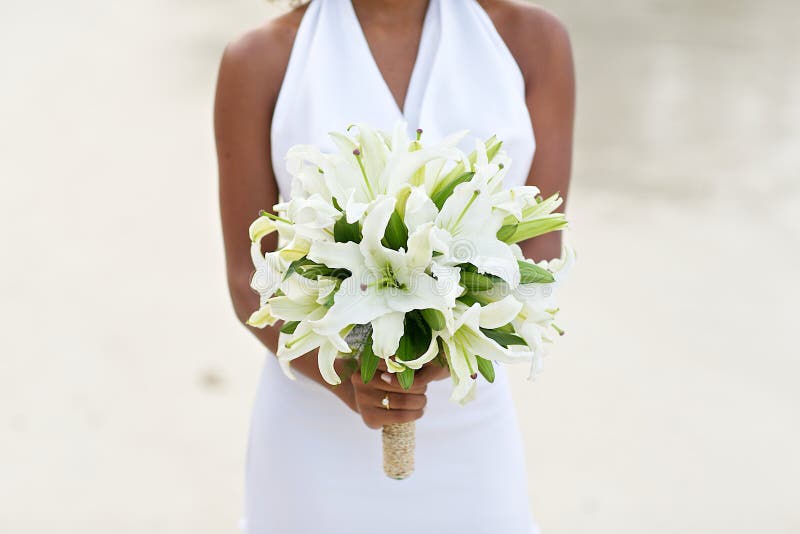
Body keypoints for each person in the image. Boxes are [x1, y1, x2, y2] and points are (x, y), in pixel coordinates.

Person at [214, 0, 574, 532]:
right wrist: (348, 382)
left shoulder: (533, 42)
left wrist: (446, 353)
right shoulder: (260, 60)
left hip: (468, 414)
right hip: (314, 425)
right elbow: (251, 281)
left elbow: (540, 250)